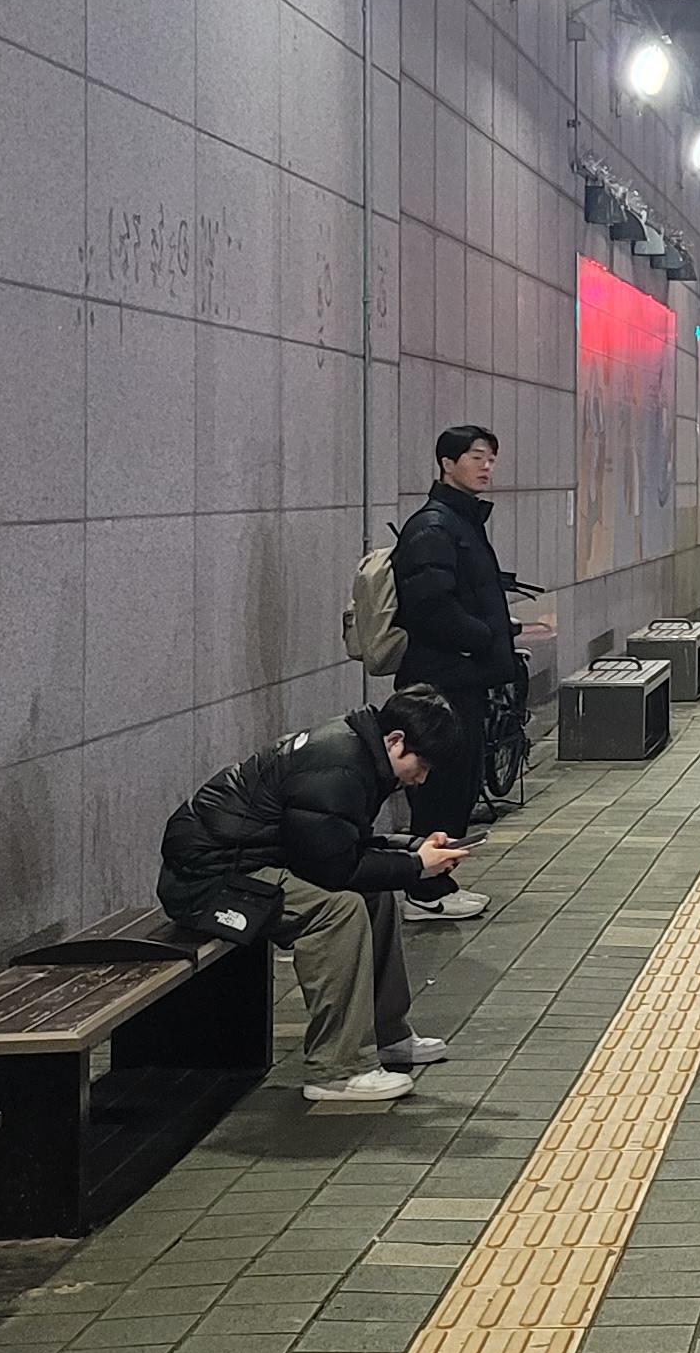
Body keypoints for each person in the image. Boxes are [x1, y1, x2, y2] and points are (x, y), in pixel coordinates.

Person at [157, 687, 471, 1108]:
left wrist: (414, 848)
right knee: (337, 911)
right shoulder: (339, 765)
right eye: (423, 764)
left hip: (246, 862)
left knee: (374, 895)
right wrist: (416, 866)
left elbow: (337, 843)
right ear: (396, 741)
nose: (422, 778)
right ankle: (337, 1070)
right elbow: (337, 869)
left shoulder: (357, 753)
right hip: (206, 882)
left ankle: (385, 1034)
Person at [392, 424, 520, 918]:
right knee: (441, 788)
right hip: (441, 680)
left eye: (491, 458)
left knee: (458, 786)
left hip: (461, 676)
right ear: (447, 464)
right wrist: (484, 637)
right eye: (475, 457)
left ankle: (438, 883)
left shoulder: (460, 521)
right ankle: (424, 892)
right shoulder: (434, 526)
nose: (486, 467)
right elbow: (430, 606)